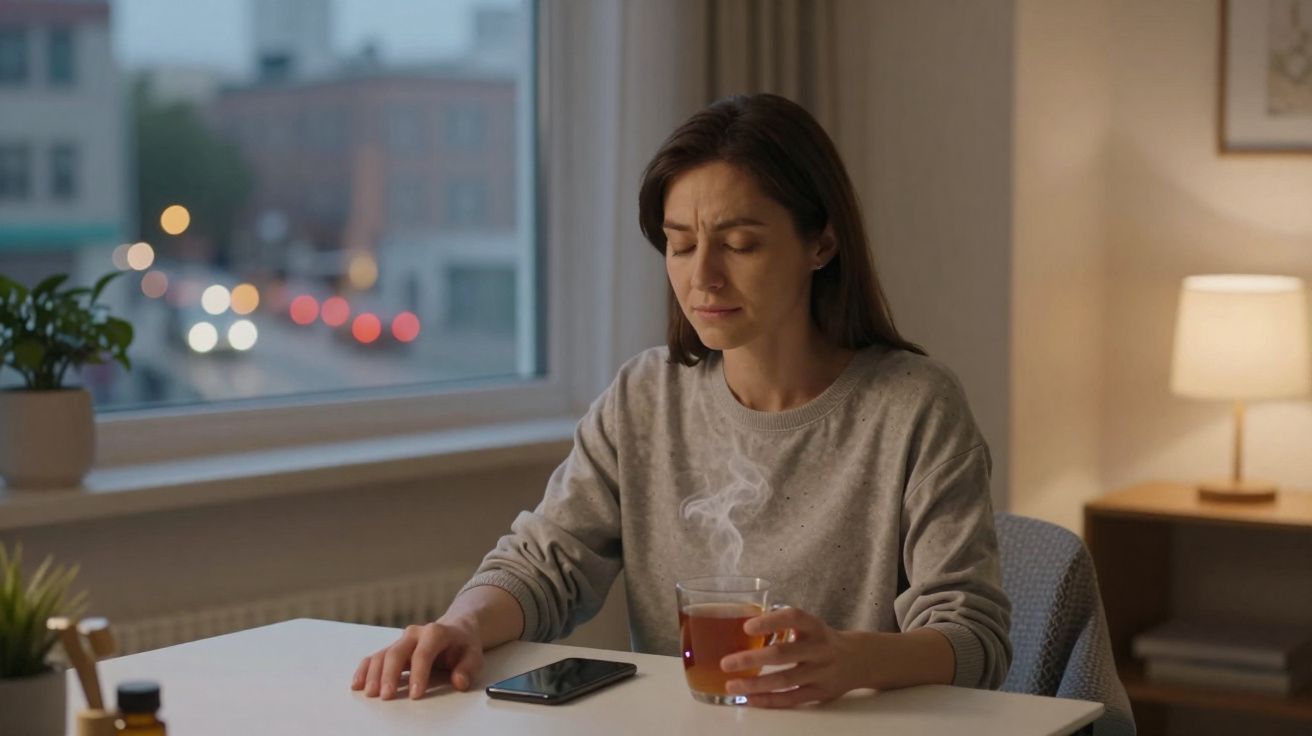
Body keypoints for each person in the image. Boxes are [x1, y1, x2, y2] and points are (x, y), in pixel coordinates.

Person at [351, 93, 1012, 708]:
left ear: (822, 243)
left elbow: (974, 639)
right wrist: (461, 624)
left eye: (740, 243)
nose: (702, 277)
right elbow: (546, 563)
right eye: (680, 244)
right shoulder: (645, 398)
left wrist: (850, 660)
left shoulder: (914, 408)